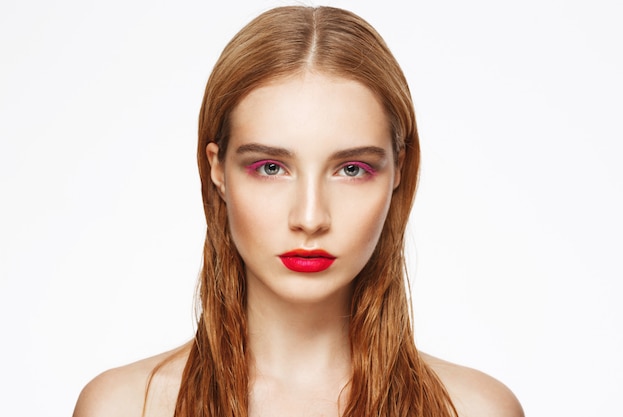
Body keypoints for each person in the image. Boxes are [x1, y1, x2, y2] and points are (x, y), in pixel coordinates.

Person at [73, 5, 524, 417]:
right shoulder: (127, 407)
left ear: (399, 169)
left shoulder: (476, 410)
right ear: (218, 170)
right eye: (271, 167)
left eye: (351, 169)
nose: (310, 218)